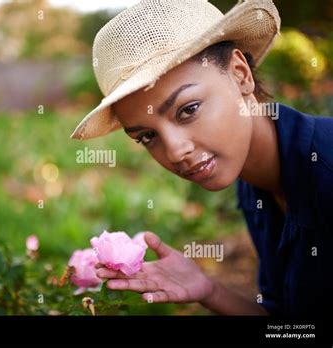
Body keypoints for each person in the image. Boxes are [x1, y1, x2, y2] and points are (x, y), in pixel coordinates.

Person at [70, 0, 333, 316]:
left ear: (240, 74)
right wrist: (208, 291)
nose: (175, 152)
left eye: (188, 110)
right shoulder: (253, 189)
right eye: (147, 137)